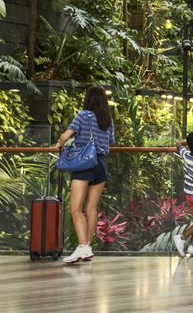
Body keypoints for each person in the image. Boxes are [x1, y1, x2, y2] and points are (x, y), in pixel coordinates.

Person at [56, 85, 115, 264]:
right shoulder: (107, 119)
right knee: (91, 208)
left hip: (84, 164)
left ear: (88, 99)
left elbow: (66, 136)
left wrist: (59, 143)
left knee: (75, 208)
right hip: (101, 164)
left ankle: (82, 246)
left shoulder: (83, 115)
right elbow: (110, 141)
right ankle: (87, 246)